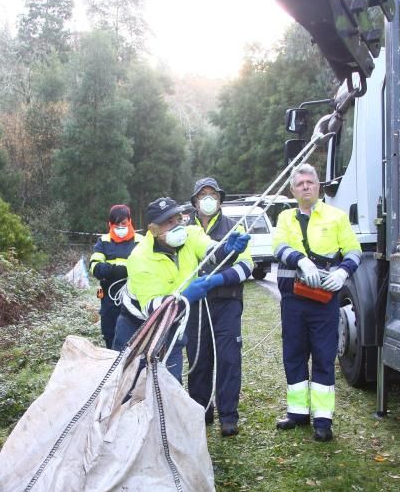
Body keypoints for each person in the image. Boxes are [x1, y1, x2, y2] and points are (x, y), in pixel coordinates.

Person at [112, 196, 250, 383]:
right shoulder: (139, 257)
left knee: (170, 383)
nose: (177, 225)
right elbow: (151, 308)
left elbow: (212, 252)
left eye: (178, 219)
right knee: (128, 383)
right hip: (137, 326)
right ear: (153, 230)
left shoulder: (191, 234)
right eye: (169, 222)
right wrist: (185, 297)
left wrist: (228, 249)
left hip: (172, 324)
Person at [272, 163, 362, 442]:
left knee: (324, 356)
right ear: (293, 190)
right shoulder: (285, 217)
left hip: (324, 301)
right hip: (293, 299)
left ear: (319, 185)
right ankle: (297, 412)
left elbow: (354, 250)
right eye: (300, 184)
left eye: (310, 182)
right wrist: (300, 259)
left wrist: (343, 271)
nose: (306, 187)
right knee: (294, 355)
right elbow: (278, 246)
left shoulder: (336, 216)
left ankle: (323, 419)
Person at [186, 177, 253, 437]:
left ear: (220, 199)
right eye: (202, 194)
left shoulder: (234, 226)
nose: (208, 198)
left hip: (227, 300)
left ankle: (228, 415)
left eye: (212, 194)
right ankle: (201, 410)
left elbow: (247, 265)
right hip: (195, 304)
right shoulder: (184, 228)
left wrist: (219, 279)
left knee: (228, 357)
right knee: (198, 358)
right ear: (194, 201)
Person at [89, 204, 142, 349]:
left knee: (133, 339)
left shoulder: (141, 241)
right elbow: (95, 267)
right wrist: (122, 270)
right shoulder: (103, 241)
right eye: (116, 224)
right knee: (110, 336)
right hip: (108, 300)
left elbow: (145, 268)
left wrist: (110, 270)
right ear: (110, 224)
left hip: (134, 298)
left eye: (123, 223)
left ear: (130, 221)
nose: (120, 227)